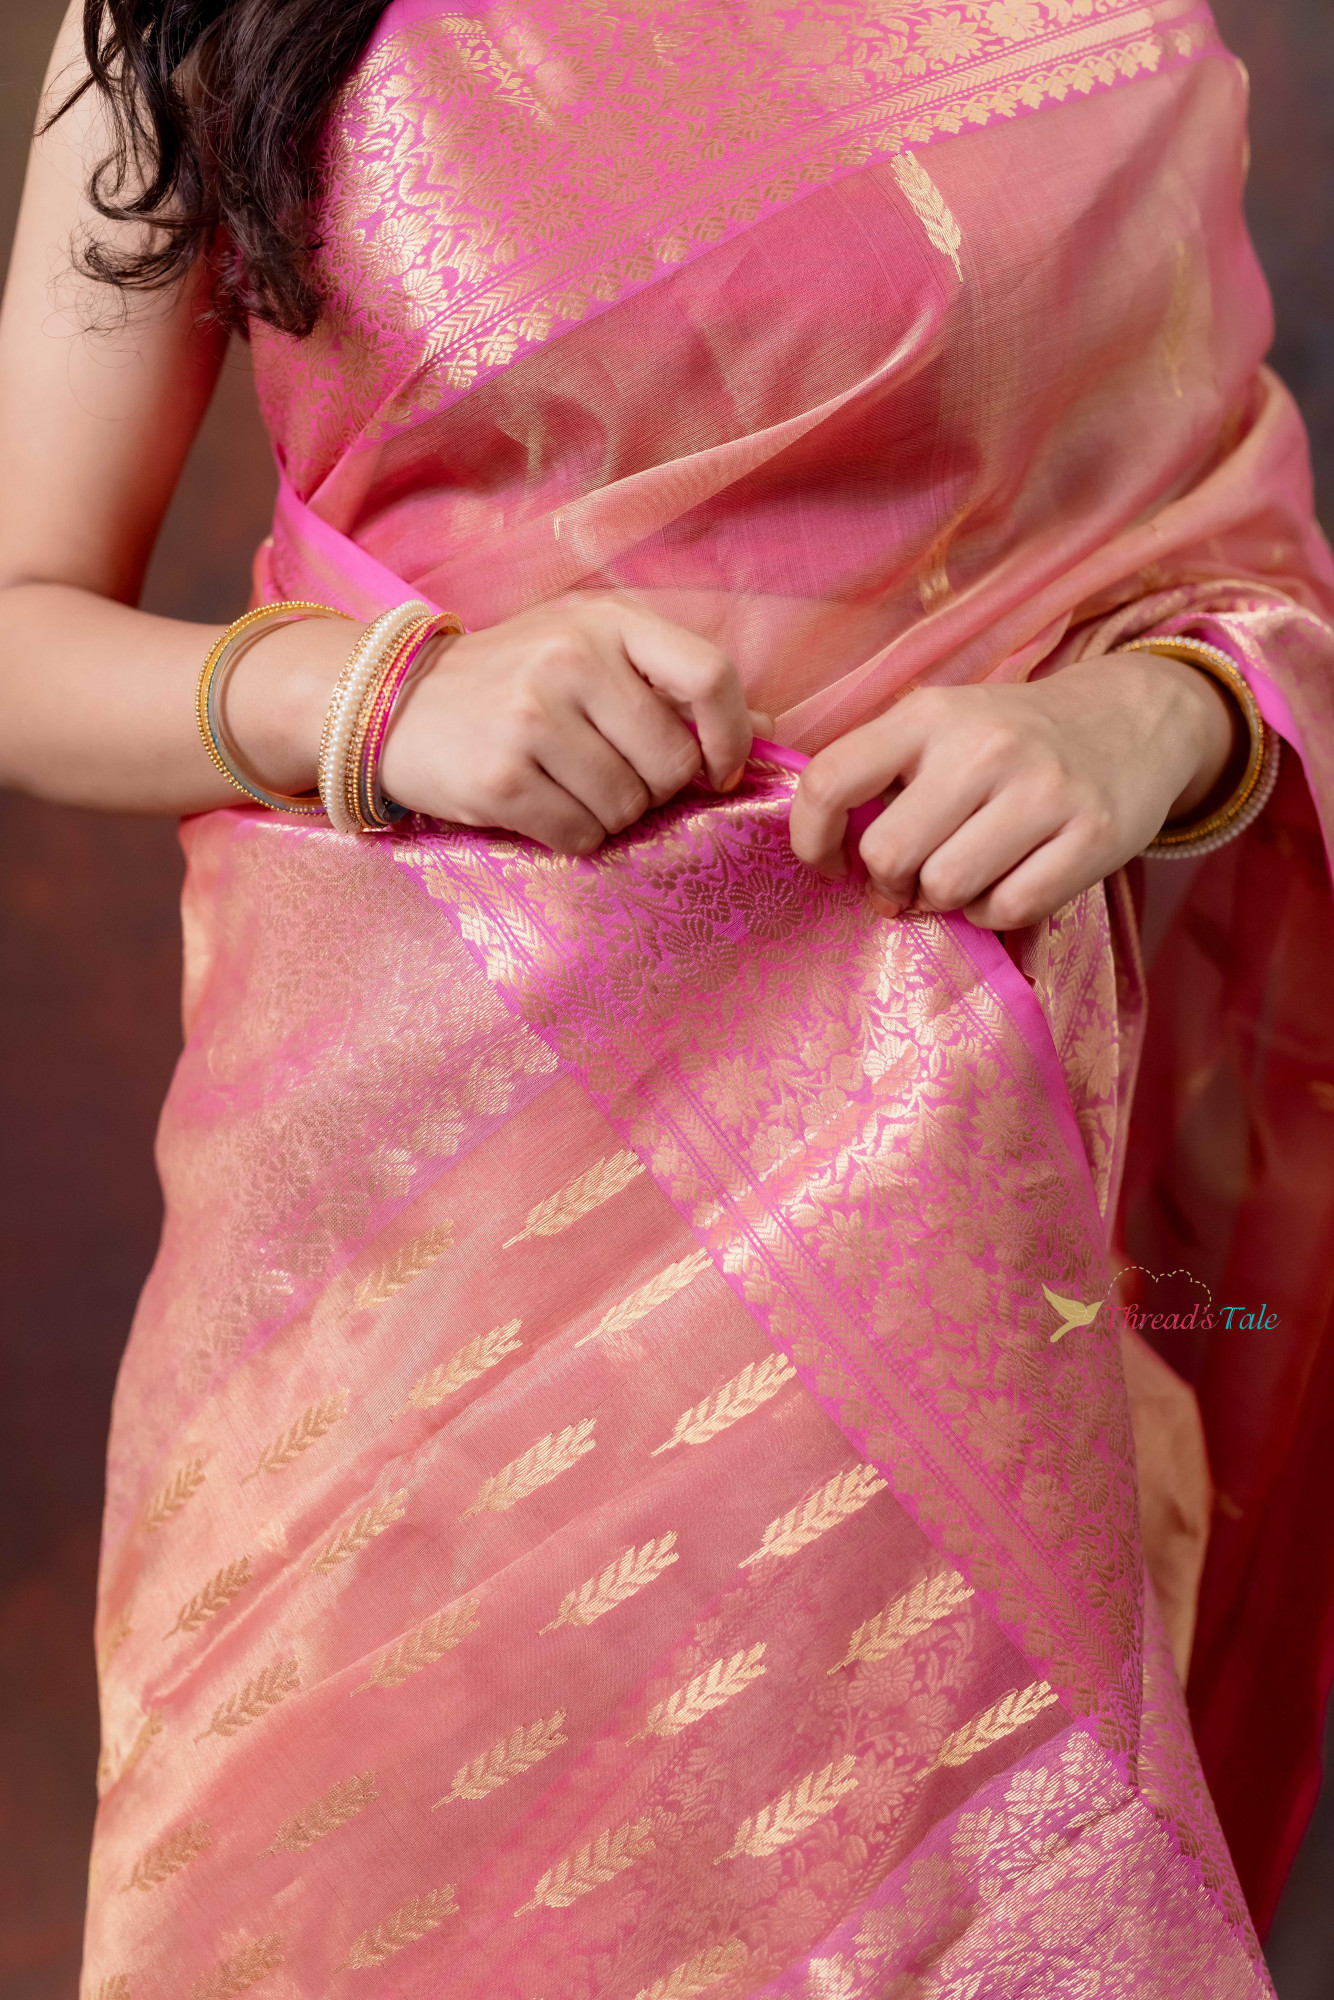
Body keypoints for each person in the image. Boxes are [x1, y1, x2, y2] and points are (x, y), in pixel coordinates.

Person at [2, 0, 1331, 1991]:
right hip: (404, 1268)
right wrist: (380, 702)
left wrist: (1136, 728)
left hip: (922, 1240)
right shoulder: (199, 15)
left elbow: (1241, 578)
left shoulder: (1090, 24)